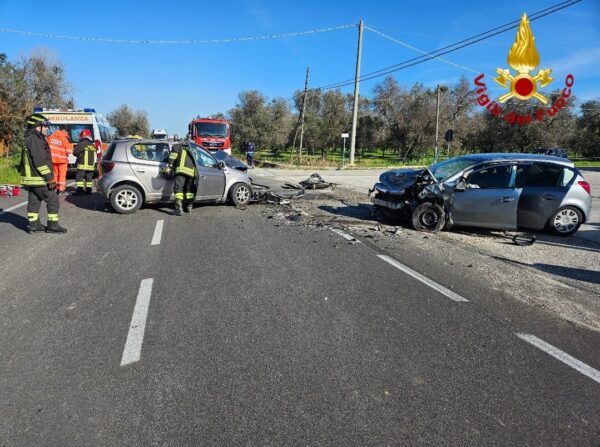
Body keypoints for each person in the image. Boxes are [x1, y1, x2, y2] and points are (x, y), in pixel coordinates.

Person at [20, 113, 67, 234]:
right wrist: (50, 178)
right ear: (37, 127)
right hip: (39, 179)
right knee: (52, 199)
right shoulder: (35, 140)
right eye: (45, 126)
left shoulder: (30, 139)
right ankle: (52, 225)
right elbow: (40, 162)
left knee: (34, 200)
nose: (47, 128)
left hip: (32, 179)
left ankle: (34, 225)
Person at [166, 142, 197, 216]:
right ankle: (189, 207)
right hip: (191, 172)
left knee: (178, 188)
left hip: (181, 171)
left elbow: (172, 157)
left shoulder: (177, 147)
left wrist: (169, 166)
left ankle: (179, 209)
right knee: (189, 189)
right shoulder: (193, 148)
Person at [46, 125, 72, 194]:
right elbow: (69, 151)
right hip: (62, 161)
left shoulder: (51, 136)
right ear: (65, 130)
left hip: (53, 159)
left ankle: (54, 188)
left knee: (54, 175)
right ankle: (61, 189)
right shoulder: (64, 138)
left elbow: (46, 147)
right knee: (62, 175)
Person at [73, 129, 95, 195]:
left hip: (82, 165)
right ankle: (89, 191)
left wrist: (79, 155)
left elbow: (75, 152)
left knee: (79, 178)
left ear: (82, 136)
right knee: (89, 178)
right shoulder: (92, 144)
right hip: (91, 165)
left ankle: (80, 191)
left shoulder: (81, 143)